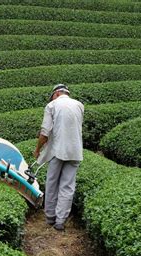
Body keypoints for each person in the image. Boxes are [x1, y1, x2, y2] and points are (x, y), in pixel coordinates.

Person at [34, 84, 84, 231]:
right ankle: (60, 221)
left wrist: (38, 150)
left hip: (58, 150)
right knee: (67, 186)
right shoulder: (79, 105)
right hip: (75, 150)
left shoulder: (52, 105)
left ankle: (50, 217)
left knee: (52, 183)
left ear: (55, 94)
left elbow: (45, 131)